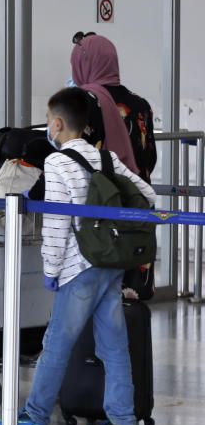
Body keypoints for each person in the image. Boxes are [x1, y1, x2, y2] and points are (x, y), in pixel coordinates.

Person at [0, 87, 156, 425]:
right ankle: (123, 421)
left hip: (78, 269)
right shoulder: (107, 158)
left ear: (58, 123)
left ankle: (34, 417)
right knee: (113, 345)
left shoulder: (57, 162)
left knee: (56, 344)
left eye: (50, 123)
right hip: (109, 264)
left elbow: (56, 224)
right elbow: (150, 195)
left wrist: (51, 271)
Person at [71, 33, 158, 298]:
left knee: (99, 297)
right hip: (138, 202)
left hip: (101, 207)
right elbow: (150, 158)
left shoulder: (84, 102)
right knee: (131, 293)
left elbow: (75, 155)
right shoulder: (141, 104)